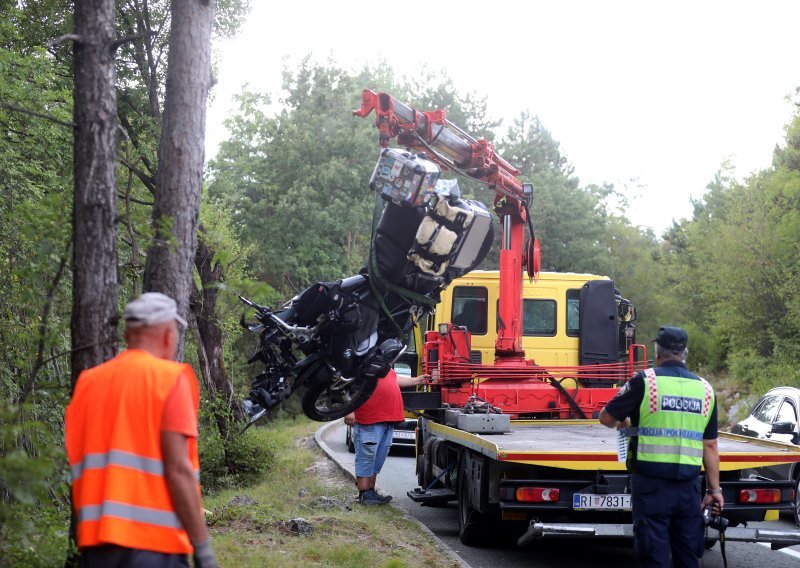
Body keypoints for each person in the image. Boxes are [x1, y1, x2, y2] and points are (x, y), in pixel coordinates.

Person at [65, 293, 217, 568]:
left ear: (128, 334)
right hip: (154, 549)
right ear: (167, 333)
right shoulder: (170, 379)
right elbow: (178, 470)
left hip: (95, 551)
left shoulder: (87, 384)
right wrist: (203, 549)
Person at [599, 325, 723, 568]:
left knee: (653, 556)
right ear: (684, 353)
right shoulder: (705, 390)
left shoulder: (645, 382)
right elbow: (710, 445)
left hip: (651, 487)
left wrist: (625, 422)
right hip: (688, 489)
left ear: (657, 352)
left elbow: (606, 417)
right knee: (688, 556)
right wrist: (714, 491)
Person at [344, 369, 426, 505]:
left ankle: (370, 491)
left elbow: (394, 379)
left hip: (388, 420)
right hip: (369, 419)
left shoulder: (383, 366)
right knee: (367, 455)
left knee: (378, 457)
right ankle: (364, 493)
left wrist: (418, 380)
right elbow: (346, 387)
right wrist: (349, 410)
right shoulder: (361, 363)